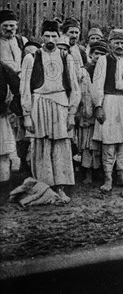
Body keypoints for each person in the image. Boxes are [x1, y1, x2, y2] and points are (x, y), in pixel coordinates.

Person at [20, 20, 81, 203]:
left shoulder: (66, 57)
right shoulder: (31, 58)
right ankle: (45, 189)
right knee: (42, 145)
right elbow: (25, 89)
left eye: (54, 36)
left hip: (61, 103)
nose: (51, 39)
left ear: (59, 37)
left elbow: (75, 88)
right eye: (47, 36)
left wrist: (71, 113)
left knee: (61, 146)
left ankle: (61, 188)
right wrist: (27, 116)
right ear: (41, 37)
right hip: (39, 104)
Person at [91, 29, 123, 192]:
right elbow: (97, 83)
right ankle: (108, 178)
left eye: (122, 43)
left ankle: (121, 176)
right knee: (109, 142)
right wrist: (98, 105)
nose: (120, 46)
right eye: (116, 42)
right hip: (109, 102)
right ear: (110, 43)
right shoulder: (104, 60)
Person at [79, 40, 108, 184]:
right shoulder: (85, 70)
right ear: (91, 54)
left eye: (103, 54)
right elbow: (84, 93)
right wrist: (87, 111)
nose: (99, 56)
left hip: (102, 110)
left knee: (100, 144)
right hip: (88, 111)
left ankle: (99, 171)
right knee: (88, 144)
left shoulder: (105, 69)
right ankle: (87, 173)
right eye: (96, 53)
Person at [0, 62, 22, 203]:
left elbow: (17, 84)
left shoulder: (1, 67)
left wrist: (13, 104)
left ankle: (3, 192)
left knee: (2, 154)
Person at [0, 9, 28, 74]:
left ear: (16, 26)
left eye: (12, 25)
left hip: (20, 78)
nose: (8, 28)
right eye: (5, 25)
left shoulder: (22, 41)